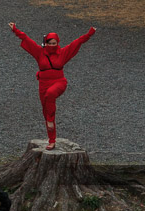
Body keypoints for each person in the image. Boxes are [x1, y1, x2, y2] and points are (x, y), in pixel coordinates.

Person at [8, 21, 96, 150]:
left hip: (59, 82)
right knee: (45, 109)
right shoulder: (39, 52)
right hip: (43, 83)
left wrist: (90, 33)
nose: (51, 45)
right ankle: (52, 139)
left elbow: (78, 42)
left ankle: (50, 119)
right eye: (49, 43)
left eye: (54, 43)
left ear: (57, 43)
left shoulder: (63, 53)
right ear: (46, 43)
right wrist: (15, 30)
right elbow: (26, 39)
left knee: (50, 95)